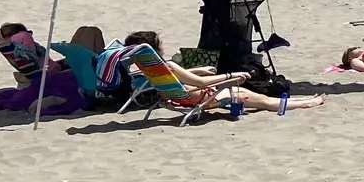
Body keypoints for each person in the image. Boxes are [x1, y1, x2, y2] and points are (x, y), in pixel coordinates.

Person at [118, 29, 317, 113]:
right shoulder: (168, 65)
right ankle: (306, 103)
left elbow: (177, 77)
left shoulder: (148, 66)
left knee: (255, 97)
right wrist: (231, 76)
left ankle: (302, 102)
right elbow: (202, 84)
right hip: (202, 96)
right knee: (262, 100)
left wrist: (199, 69)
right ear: (156, 47)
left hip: (180, 96)